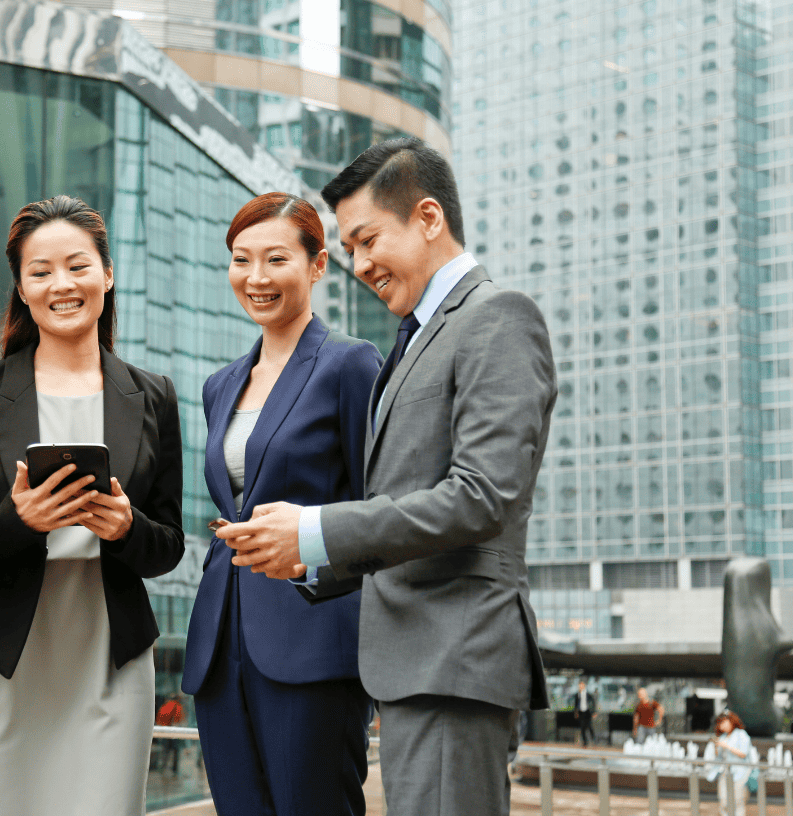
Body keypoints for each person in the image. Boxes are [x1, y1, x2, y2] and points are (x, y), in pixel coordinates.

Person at [215, 136, 555, 816]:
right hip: (415, 662)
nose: (360, 264)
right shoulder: (416, 337)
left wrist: (317, 531)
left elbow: (483, 496)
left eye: (368, 240)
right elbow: (402, 501)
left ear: (428, 218)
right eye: (349, 249)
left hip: (453, 658)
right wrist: (307, 561)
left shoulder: (496, 316)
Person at [0, 195, 184, 816]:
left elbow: (169, 545)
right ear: (22, 289)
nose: (62, 285)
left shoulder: (153, 396)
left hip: (111, 654)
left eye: (78, 266)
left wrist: (126, 527)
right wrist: (18, 521)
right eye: (41, 272)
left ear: (107, 274)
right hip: (3, 654)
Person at [181, 193, 382, 816]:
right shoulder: (220, 385)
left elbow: (379, 510)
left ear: (317, 265)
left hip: (312, 640)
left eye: (276, 259)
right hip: (222, 642)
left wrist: (314, 564)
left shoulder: (350, 364)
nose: (256, 277)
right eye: (241, 260)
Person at [710, 711, 752, 816]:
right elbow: (718, 756)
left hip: (740, 772)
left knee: (737, 800)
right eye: (720, 723)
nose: (722, 726)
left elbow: (743, 753)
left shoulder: (741, 734)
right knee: (723, 799)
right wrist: (716, 746)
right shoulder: (723, 736)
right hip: (725, 771)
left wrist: (727, 746)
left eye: (724, 722)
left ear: (732, 721)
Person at [573, 680, 597, 745]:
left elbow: (593, 702)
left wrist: (594, 712)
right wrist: (576, 712)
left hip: (587, 712)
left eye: (582, 685)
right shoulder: (577, 695)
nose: (580, 687)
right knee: (582, 727)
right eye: (580, 686)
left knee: (589, 726)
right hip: (581, 712)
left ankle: (593, 739)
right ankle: (585, 742)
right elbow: (575, 704)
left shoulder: (588, 694)